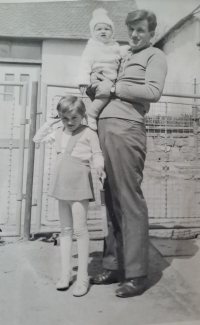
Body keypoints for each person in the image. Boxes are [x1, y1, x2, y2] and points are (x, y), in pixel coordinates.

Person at [90, 10, 168, 298]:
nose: (135, 34)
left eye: (141, 30)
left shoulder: (154, 57)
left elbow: (153, 91)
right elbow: (104, 89)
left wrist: (115, 87)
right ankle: (113, 265)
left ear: (151, 34)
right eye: (131, 29)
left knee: (128, 200)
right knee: (110, 200)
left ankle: (137, 274)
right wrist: (95, 85)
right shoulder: (121, 56)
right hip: (104, 131)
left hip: (127, 132)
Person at [33, 96, 105, 297]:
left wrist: (99, 165)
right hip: (61, 183)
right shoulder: (58, 132)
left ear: (82, 116)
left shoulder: (89, 133)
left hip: (79, 183)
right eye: (65, 118)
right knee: (65, 230)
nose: (70, 122)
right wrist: (51, 122)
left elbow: (97, 153)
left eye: (74, 117)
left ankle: (82, 278)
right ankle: (65, 275)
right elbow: (36, 139)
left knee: (80, 230)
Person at [78, 8, 129, 130]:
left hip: (110, 79)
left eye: (107, 29)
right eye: (99, 29)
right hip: (98, 78)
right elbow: (84, 64)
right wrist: (83, 81)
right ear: (93, 32)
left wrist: (127, 49)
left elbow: (118, 53)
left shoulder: (114, 45)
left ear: (112, 32)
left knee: (111, 98)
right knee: (106, 93)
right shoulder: (92, 47)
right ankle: (91, 114)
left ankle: (99, 116)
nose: (103, 32)